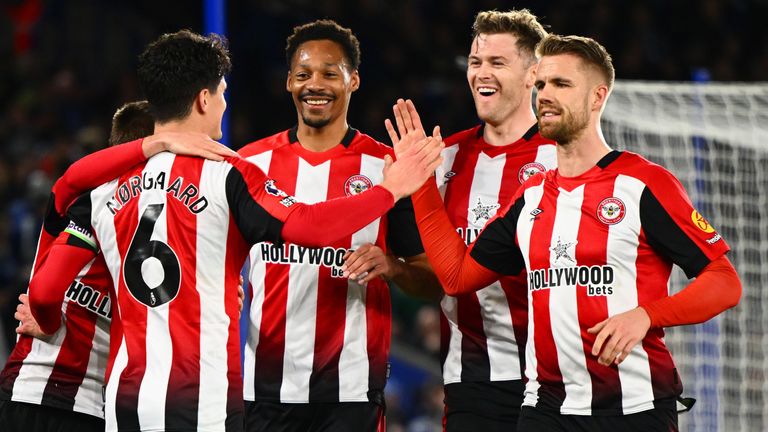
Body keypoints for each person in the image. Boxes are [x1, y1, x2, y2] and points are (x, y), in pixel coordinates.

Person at [27, 29, 440, 432]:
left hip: (130, 395)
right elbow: (306, 226)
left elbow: (64, 197)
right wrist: (389, 190)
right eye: (223, 92)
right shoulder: (236, 171)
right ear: (205, 98)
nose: (226, 104)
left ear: (353, 79)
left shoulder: (105, 188)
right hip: (216, 394)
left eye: (330, 73)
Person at [398, 34, 741, 431]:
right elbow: (456, 278)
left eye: (561, 84)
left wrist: (646, 315)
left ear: (597, 96)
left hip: (635, 406)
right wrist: (423, 183)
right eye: (541, 84)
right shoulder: (530, 199)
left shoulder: (643, 184)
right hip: (545, 408)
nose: (545, 94)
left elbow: (724, 282)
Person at [345, 10, 553, 431]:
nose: (482, 73)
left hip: (556, 377)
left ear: (533, 74)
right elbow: (437, 279)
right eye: (476, 62)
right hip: (471, 381)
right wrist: (396, 267)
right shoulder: (443, 162)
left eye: (497, 62)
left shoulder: (563, 158)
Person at [237, 20, 441, 432]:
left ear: (354, 81)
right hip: (266, 389)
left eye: (330, 73)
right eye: (304, 74)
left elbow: (432, 279)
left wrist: (394, 267)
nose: (316, 84)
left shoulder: (387, 169)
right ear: (288, 83)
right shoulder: (249, 166)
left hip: (352, 394)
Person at [0, 100, 236, 431]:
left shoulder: (162, 233)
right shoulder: (86, 204)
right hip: (72, 399)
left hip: (45, 394)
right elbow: (71, 180)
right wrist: (47, 316)